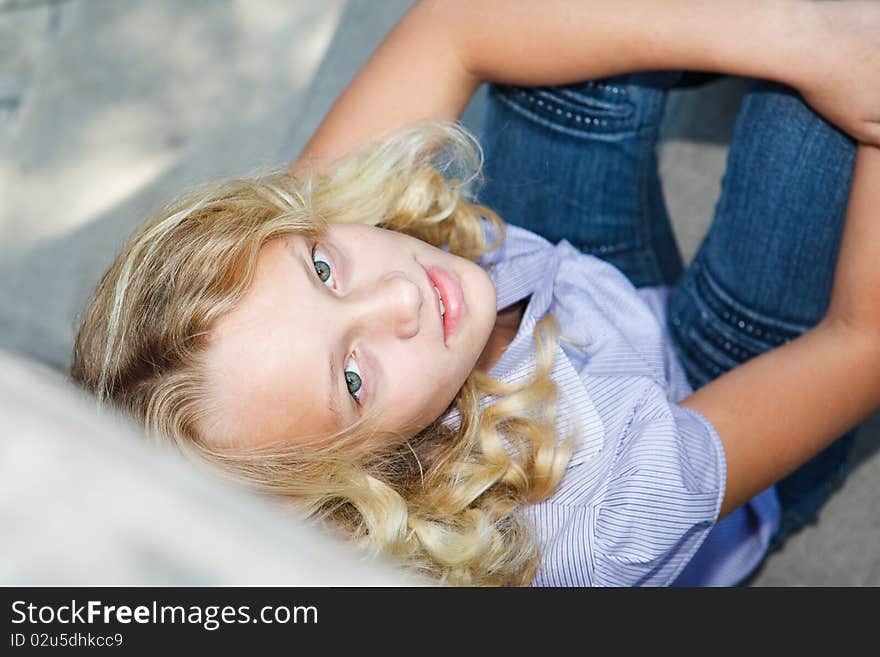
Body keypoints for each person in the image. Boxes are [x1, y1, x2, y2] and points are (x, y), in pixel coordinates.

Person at [70, 0, 880, 585]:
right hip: (711, 396)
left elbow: (451, 26)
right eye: (352, 378)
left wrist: (794, 29)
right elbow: (859, 338)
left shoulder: (275, 285)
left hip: (582, 292)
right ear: (361, 488)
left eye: (322, 268)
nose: (397, 297)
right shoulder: (596, 520)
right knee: (811, 122)